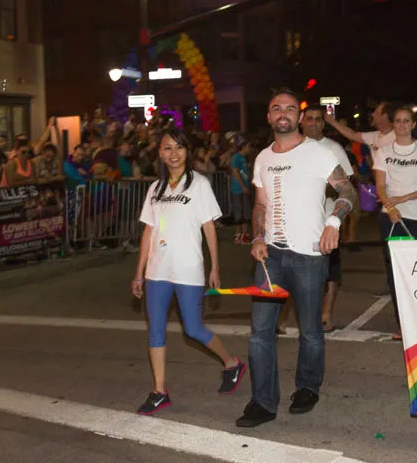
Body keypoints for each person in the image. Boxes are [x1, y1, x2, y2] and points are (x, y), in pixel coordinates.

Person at [237, 90, 357, 429]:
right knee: (260, 332)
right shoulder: (262, 158)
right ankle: (263, 401)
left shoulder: (318, 152)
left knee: (311, 330)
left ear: (299, 117)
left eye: (290, 108)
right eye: (277, 108)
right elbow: (261, 204)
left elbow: (347, 190)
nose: (283, 113)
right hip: (270, 257)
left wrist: (333, 222)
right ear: (269, 116)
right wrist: (257, 236)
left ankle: (307, 387)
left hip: (309, 256)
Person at [130, 130, 245, 416]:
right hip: (157, 269)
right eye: (167, 148)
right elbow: (148, 231)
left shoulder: (199, 184)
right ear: (160, 153)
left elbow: (209, 227)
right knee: (155, 331)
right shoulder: (155, 188)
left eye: (179, 147)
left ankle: (232, 364)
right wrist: (139, 272)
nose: (173, 153)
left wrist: (214, 266)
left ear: (187, 151)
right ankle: (160, 391)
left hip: (188, 268)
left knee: (193, 329)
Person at [374, 106, 417, 339]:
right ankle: (404, 325)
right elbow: (380, 186)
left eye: (406, 121)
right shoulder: (383, 152)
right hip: (391, 217)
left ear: (413, 124)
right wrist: (391, 208)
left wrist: (404, 198)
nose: (401, 125)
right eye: (398, 121)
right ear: (393, 124)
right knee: (396, 273)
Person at [300, 106, 355, 332]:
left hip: (328, 219)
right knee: (297, 269)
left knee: (330, 269)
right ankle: (288, 315)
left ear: (323, 123)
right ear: (302, 121)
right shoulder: (293, 147)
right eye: (309, 119)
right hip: (299, 221)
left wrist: (318, 187)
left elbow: (347, 186)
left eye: (318, 120)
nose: (313, 123)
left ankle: (326, 314)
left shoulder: (333, 149)